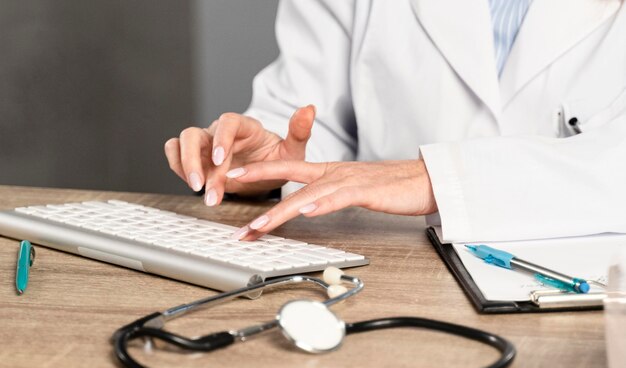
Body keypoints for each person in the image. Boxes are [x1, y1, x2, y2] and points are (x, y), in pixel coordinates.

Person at [164, 0, 626, 243]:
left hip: (586, 294)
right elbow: (313, 114)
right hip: (387, 273)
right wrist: (270, 165)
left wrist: (438, 178)